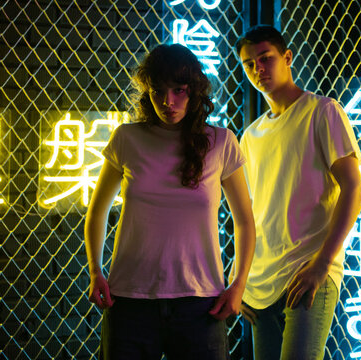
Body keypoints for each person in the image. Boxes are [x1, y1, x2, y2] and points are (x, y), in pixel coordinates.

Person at [84, 43, 255, 360]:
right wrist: (96, 270)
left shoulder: (221, 142)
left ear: (195, 91)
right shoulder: (127, 138)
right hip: (130, 300)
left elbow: (245, 220)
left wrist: (238, 285)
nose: (168, 101)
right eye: (158, 91)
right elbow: (97, 211)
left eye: (179, 90)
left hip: (201, 302)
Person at [235, 25, 361, 360]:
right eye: (249, 64)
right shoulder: (249, 136)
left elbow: (354, 189)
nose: (258, 69)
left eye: (266, 58)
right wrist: (241, 280)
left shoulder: (322, 111)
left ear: (287, 57)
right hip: (259, 284)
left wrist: (322, 264)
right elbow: (250, 215)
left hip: (309, 271)